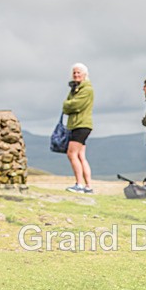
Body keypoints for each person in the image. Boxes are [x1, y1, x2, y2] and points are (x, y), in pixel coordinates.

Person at [63, 63, 95, 194]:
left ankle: (79, 184)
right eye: (74, 73)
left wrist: (66, 105)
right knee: (81, 156)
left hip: (80, 124)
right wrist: (68, 104)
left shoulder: (86, 89)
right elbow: (69, 104)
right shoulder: (76, 89)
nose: (76, 75)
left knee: (72, 154)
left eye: (78, 73)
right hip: (79, 124)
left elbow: (74, 105)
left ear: (85, 75)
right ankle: (88, 186)